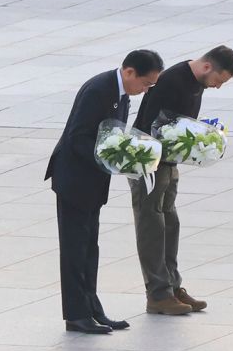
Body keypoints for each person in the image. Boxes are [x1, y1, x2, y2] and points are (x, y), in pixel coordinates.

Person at [46, 50, 163, 334]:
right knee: (75, 250)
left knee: (90, 248)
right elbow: (78, 137)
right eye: (146, 84)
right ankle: (76, 315)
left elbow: (113, 135)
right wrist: (112, 160)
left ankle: (92, 308)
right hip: (74, 180)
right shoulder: (99, 89)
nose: (145, 90)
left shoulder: (120, 93)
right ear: (129, 72)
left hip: (92, 183)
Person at [131, 45, 233, 316]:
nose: (217, 87)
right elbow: (153, 124)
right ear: (206, 67)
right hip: (149, 162)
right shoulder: (172, 80)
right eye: (219, 80)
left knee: (170, 222)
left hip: (168, 162)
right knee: (152, 224)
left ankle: (172, 286)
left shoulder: (196, 82)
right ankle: (158, 294)